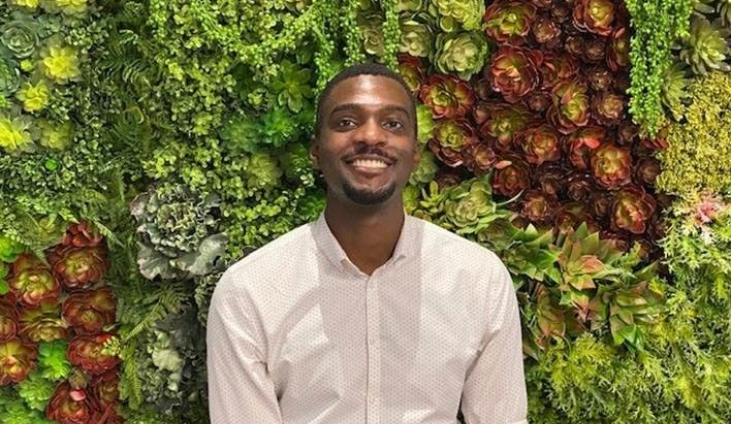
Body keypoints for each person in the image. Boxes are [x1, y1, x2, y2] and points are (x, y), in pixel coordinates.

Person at [206, 62, 528, 424]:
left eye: (393, 123)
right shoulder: (251, 292)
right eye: (346, 122)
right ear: (316, 152)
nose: (371, 135)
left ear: (415, 154)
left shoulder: (478, 279)